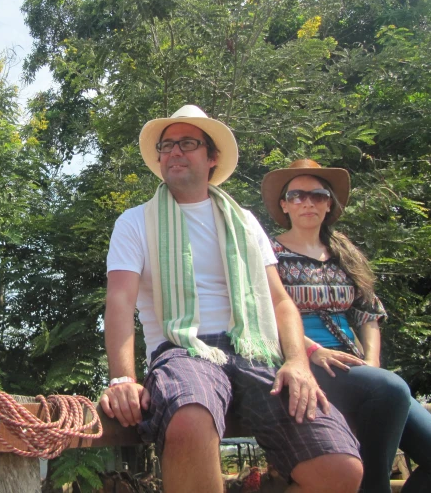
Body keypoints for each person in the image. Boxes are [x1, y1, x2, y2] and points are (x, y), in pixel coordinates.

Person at [100, 105, 362, 492]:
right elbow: (120, 302)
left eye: (188, 143)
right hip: (183, 347)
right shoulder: (136, 221)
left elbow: (280, 303)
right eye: (167, 144)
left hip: (255, 349)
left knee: (340, 470)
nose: (174, 151)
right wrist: (123, 378)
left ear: (212, 157)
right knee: (189, 418)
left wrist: (296, 361)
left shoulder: (245, 221)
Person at [262, 159, 431, 493]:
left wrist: (373, 364)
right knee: (393, 388)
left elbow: (369, 314)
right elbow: (263, 313)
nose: (307, 202)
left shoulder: (345, 252)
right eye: (296, 195)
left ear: (329, 204)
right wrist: (312, 350)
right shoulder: (268, 251)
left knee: (390, 389)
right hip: (301, 360)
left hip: (353, 362)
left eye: (318, 195)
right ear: (284, 204)